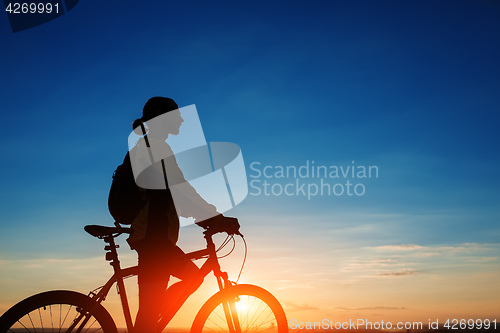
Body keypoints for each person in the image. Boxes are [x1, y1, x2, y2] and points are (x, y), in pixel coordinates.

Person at [122, 97, 239, 333]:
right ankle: (153, 319)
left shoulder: (147, 146)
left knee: (151, 312)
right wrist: (215, 219)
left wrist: (204, 217)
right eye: (176, 115)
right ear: (159, 116)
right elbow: (180, 190)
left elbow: (170, 194)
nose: (181, 119)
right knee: (159, 305)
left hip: (151, 237)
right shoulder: (155, 148)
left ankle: (153, 319)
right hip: (153, 238)